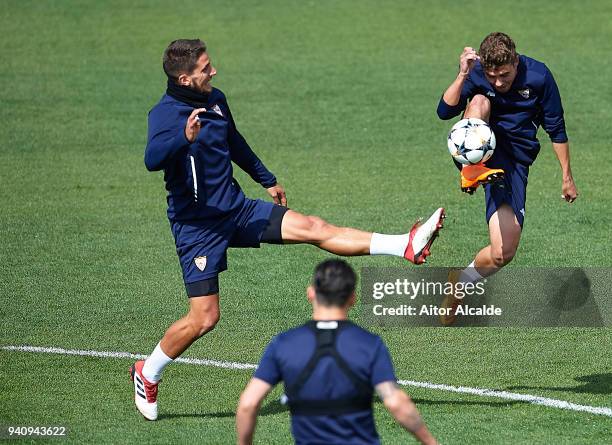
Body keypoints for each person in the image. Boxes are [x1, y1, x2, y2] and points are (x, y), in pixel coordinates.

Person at [130, 38, 446, 420]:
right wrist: (184, 138)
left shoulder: (215, 99)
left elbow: (235, 143)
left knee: (314, 227)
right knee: (204, 319)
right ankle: (147, 371)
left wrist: (267, 179)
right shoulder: (165, 114)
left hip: (236, 209)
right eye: (205, 68)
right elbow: (151, 159)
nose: (213, 71)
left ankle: (405, 245)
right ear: (185, 78)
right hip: (197, 229)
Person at [436, 32, 578, 325]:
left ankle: (461, 281)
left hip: (514, 162)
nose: (498, 83)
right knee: (477, 100)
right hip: (479, 151)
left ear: (515, 60)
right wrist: (463, 74)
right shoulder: (476, 75)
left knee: (503, 252)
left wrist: (567, 176)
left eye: (504, 74)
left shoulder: (539, 76)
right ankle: (472, 169)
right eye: (492, 76)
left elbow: (557, 128)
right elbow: (444, 111)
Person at [236, 259, 438, 445]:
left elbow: (248, 403)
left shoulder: (284, 344)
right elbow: (395, 403)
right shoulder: (369, 344)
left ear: (311, 293)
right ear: (352, 298)